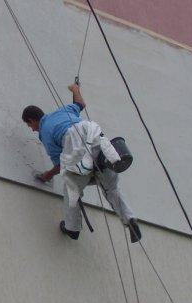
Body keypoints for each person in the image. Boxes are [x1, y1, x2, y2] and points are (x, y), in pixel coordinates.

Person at [22, 83, 141, 242]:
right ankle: (130, 220)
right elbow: (80, 104)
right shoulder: (64, 111)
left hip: (76, 146)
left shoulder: (45, 132)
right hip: (98, 143)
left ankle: (72, 228)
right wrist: (75, 89)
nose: (32, 129)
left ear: (32, 120)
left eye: (29, 125)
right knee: (111, 188)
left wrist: (46, 176)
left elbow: (60, 164)